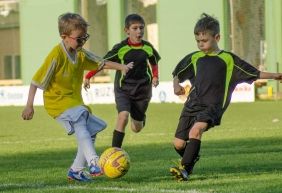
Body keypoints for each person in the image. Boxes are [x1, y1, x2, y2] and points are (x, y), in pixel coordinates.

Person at [170, 13, 282, 181]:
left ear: (217, 37)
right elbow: (177, 73)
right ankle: (191, 156)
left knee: (196, 130)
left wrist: (275, 75)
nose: (201, 44)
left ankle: (184, 170)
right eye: (198, 41)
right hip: (191, 104)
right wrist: (176, 85)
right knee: (178, 144)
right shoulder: (194, 57)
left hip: (212, 107)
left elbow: (254, 73)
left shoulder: (228, 59)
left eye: (204, 41)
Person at [21, 12, 133, 182]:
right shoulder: (55, 56)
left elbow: (101, 62)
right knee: (81, 120)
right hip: (57, 102)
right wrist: (29, 105)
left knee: (91, 131)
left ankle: (76, 170)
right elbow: (36, 82)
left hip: (74, 102)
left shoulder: (80, 53)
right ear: (64, 37)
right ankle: (94, 162)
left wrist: (122, 67)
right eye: (79, 38)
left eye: (84, 38)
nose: (82, 42)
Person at [84, 14, 161, 148]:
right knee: (123, 116)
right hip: (123, 89)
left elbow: (154, 63)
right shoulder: (120, 48)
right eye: (135, 28)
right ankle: (115, 152)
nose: (139, 31)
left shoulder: (148, 47)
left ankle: (141, 118)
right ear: (127, 30)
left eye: (141, 28)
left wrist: (155, 76)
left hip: (143, 90)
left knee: (136, 128)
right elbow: (103, 62)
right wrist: (89, 76)